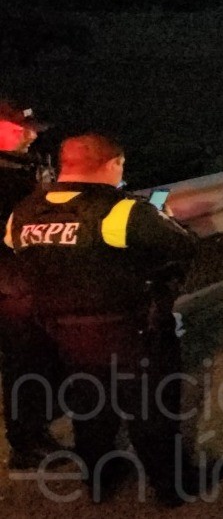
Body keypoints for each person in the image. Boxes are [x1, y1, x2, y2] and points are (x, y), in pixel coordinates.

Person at [4, 134, 205, 505]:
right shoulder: (123, 211)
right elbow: (183, 246)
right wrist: (165, 218)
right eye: (121, 167)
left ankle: (100, 478)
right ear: (113, 164)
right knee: (151, 411)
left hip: (62, 334)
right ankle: (174, 486)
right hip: (129, 330)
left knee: (90, 407)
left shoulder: (22, 213)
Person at [0, 100, 64, 472]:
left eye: (35, 128)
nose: (32, 134)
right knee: (23, 360)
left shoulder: (28, 165)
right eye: (21, 128)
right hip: (10, 284)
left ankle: (35, 427)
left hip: (31, 279)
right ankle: (24, 444)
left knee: (39, 356)